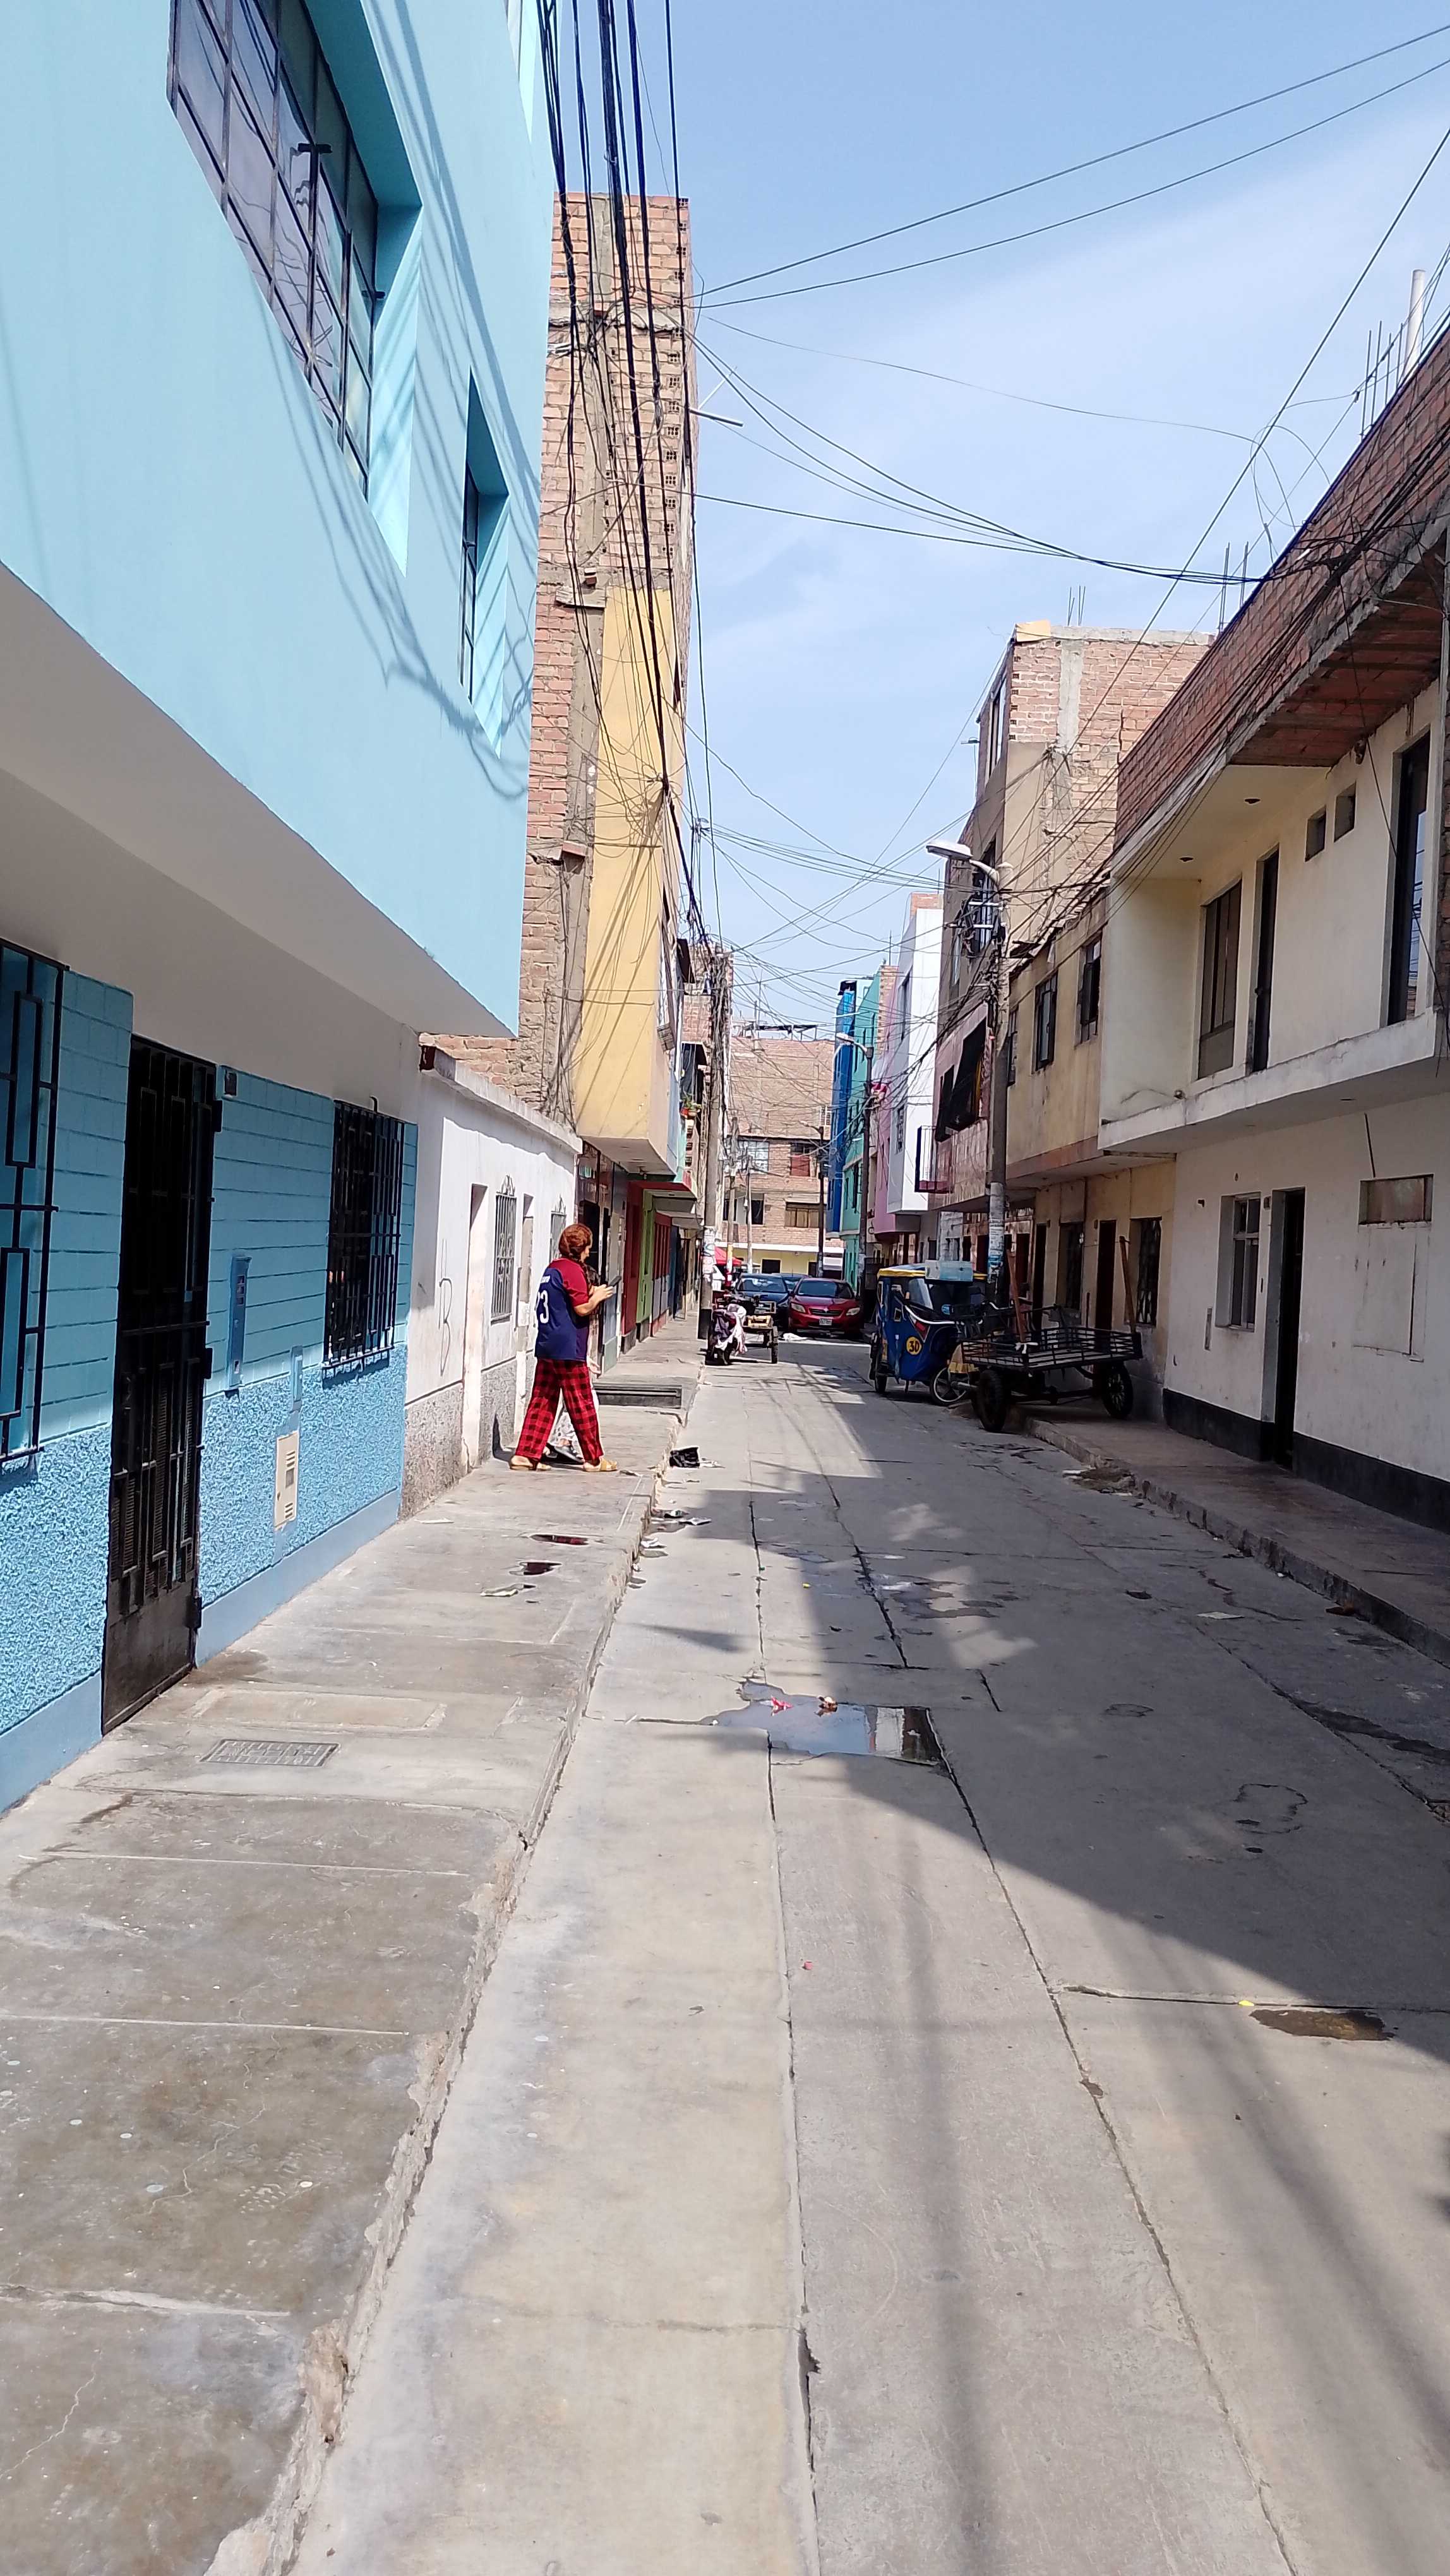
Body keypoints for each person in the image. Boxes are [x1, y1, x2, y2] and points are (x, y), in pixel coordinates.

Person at [512, 1222, 618, 1471]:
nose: (589, 1252)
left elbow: (567, 1298)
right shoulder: (573, 1270)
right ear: (581, 1249)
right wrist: (597, 1297)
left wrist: (591, 1291)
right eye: (588, 1248)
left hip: (547, 1344)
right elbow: (581, 1308)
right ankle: (594, 1459)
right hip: (568, 1348)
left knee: (543, 1400)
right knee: (582, 1403)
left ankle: (525, 1455)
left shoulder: (553, 1269)